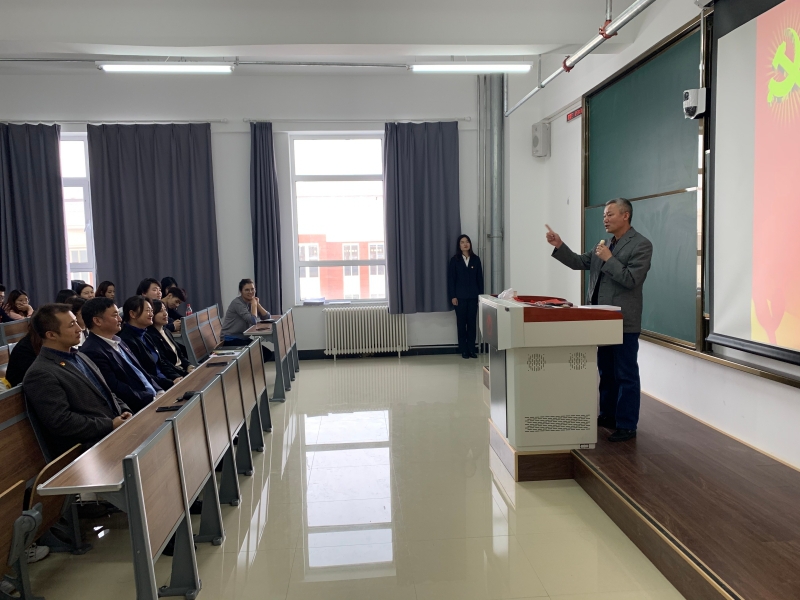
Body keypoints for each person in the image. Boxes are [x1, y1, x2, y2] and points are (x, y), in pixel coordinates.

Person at [546, 198, 653, 443]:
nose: (605, 219)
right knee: (606, 371)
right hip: (600, 321)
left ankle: (627, 424)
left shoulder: (641, 244)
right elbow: (578, 262)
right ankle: (608, 414)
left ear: (625, 216)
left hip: (623, 322)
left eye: (610, 214)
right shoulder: (603, 244)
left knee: (625, 373)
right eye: (604, 215)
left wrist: (609, 259)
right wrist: (559, 245)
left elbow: (631, 279)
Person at [21, 304, 132, 458]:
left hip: (114, 430)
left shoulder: (80, 355)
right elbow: (62, 422)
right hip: (90, 448)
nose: (79, 328)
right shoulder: (40, 373)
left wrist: (124, 410)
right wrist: (110, 424)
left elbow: (106, 392)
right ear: (51, 335)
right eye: (72, 325)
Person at [80, 297, 163, 413]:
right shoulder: (92, 351)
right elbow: (115, 388)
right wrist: (151, 398)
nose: (120, 319)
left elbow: (140, 373)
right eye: (115, 316)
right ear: (97, 321)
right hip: (137, 409)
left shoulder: (118, 341)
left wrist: (159, 391)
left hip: (154, 397)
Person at [118, 296, 182, 389]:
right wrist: (170, 383)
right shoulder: (127, 340)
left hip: (166, 381)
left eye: (152, 311)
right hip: (155, 388)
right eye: (148, 311)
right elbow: (142, 374)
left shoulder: (145, 334)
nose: (151, 314)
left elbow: (162, 363)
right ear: (132, 314)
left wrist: (177, 376)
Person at [448, 234, 484, 359]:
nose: (465, 244)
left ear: (470, 244)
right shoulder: (455, 260)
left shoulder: (476, 259)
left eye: (467, 241)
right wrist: (453, 296)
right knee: (461, 324)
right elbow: (451, 280)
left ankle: (472, 349)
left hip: (473, 297)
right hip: (460, 298)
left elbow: (480, 279)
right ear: (459, 245)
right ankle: (463, 350)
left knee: (472, 323)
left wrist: (480, 296)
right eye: (462, 242)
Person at [147, 299, 193, 376]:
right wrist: (185, 373)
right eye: (160, 311)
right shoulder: (151, 336)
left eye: (165, 310)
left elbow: (180, 355)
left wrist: (189, 366)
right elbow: (165, 363)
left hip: (182, 369)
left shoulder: (166, 331)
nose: (165, 313)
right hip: (175, 374)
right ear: (152, 314)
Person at [221, 279, 270, 346]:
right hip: (230, 339)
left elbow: (267, 317)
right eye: (247, 290)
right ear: (241, 291)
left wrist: (257, 304)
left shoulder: (251, 301)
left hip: (242, 338)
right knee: (261, 351)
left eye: (252, 289)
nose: (250, 292)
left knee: (265, 351)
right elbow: (253, 321)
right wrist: (254, 305)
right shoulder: (238, 303)